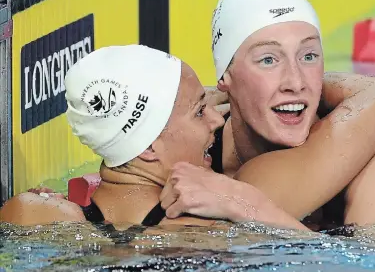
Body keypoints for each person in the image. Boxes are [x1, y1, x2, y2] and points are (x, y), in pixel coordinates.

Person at [160, 0, 375, 230]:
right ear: (225, 76)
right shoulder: (194, 146)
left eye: (309, 56)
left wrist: (247, 206)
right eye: (269, 60)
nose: (295, 83)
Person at [0, 45, 309, 230]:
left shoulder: (31, 212)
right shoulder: (199, 233)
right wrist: (249, 205)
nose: (217, 119)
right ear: (148, 147)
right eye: (200, 111)